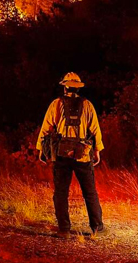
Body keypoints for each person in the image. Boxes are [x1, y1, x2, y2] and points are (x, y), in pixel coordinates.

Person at [36, 72, 105, 236]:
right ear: (78, 87)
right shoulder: (87, 105)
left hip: (61, 154)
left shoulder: (56, 104)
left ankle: (64, 230)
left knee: (61, 192)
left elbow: (45, 128)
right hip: (83, 154)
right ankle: (97, 227)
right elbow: (95, 129)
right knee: (90, 192)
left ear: (65, 86)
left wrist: (40, 149)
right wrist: (97, 150)